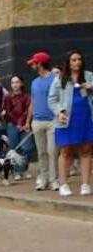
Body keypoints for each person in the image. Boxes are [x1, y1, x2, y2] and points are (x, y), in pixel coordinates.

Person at [48, 49, 93, 197]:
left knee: (86, 150)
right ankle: (63, 184)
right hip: (66, 119)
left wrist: (91, 87)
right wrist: (59, 112)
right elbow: (52, 100)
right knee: (66, 151)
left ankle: (85, 184)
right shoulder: (60, 79)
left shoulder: (89, 76)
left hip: (86, 117)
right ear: (68, 62)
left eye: (79, 59)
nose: (77, 62)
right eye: (74, 60)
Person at [26, 51, 59, 191]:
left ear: (40, 64)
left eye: (34, 63)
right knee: (41, 153)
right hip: (37, 121)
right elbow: (32, 102)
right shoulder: (34, 82)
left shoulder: (55, 79)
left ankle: (54, 180)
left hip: (53, 121)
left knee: (52, 152)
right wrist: (28, 120)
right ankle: (43, 179)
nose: (32, 65)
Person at [2, 75, 31, 181]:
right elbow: (8, 112)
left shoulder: (27, 96)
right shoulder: (8, 97)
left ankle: (23, 169)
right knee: (14, 148)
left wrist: (23, 123)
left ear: (21, 83)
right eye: (13, 82)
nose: (15, 85)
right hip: (12, 125)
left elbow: (28, 110)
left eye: (17, 82)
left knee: (27, 147)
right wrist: (17, 123)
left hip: (25, 125)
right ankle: (17, 171)